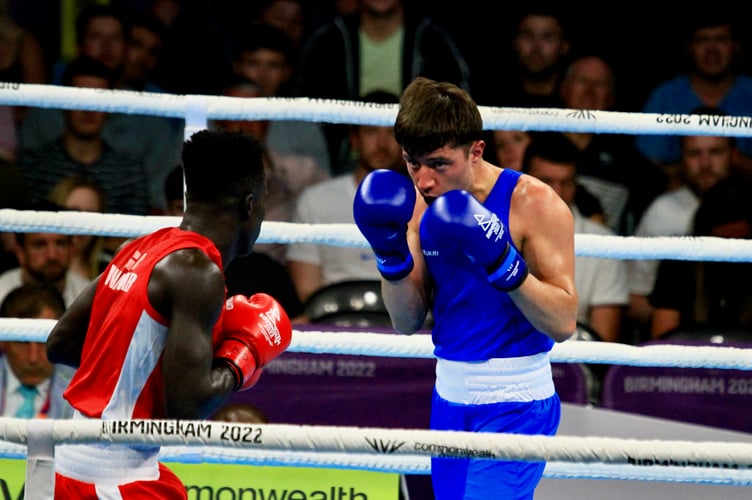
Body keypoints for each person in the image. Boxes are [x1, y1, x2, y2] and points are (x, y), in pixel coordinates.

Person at [353, 77, 577, 498]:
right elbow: (406, 320)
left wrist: (503, 263)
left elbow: (564, 321)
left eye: (439, 164)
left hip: (517, 403)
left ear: (476, 150)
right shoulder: (417, 206)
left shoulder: (534, 204)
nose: (423, 180)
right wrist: (390, 257)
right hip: (449, 397)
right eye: (412, 162)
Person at [45, 129, 293, 498]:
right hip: (113, 478)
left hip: (67, 464)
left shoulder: (140, 248)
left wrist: (134, 369)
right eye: (264, 202)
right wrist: (241, 358)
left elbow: (61, 343)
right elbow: (186, 409)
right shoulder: (198, 273)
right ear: (249, 205)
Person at [21, 4, 183, 214]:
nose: (106, 48)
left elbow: (158, 202)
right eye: (96, 37)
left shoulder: (152, 116)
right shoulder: (43, 111)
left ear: (126, 47)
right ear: (78, 44)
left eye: (115, 39)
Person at [297, 0, 470, 172]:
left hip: (421, 165)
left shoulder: (433, 41)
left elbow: (457, 110)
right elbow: (304, 119)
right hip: (338, 167)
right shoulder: (327, 42)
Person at [286, 90, 406, 306]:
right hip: (335, 315)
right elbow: (306, 286)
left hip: (408, 320)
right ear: (354, 140)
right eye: (371, 132)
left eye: (392, 133)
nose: (382, 143)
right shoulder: (316, 199)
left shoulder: (423, 200)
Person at [627, 128, 737, 340]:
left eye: (715, 152)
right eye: (694, 154)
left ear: (734, 154)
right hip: (679, 336)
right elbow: (635, 303)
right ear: (682, 158)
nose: (705, 164)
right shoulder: (662, 211)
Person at [522, 132, 627, 342]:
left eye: (566, 183)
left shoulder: (603, 244)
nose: (557, 193)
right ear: (522, 180)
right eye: (546, 182)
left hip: (574, 367)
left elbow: (602, 346)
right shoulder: (491, 231)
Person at [18, 56, 150, 216]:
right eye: (80, 99)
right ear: (62, 102)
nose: (89, 109)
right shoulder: (34, 165)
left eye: (98, 100)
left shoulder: (129, 171)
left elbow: (136, 238)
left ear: (110, 107)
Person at [634, 11, 752, 188]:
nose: (712, 50)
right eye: (702, 40)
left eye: (721, 39)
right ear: (689, 48)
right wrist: (695, 170)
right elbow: (645, 170)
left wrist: (733, 162)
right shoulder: (666, 96)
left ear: (736, 46)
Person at [559, 53, 667, 235]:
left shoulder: (627, 157)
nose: (590, 90)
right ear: (563, 89)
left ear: (611, 97)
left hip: (602, 254)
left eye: (599, 84)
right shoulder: (536, 144)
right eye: (582, 81)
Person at [649, 177, 752, 339]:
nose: (732, 254)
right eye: (723, 243)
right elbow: (662, 341)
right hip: (685, 361)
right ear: (705, 234)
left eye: (742, 244)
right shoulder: (679, 260)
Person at [230, 24, 330, 172]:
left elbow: (324, 188)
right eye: (253, 63)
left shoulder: (305, 127)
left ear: (287, 72)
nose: (262, 75)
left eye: (273, 65)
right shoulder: (208, 116)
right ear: (237, 67)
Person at [0, 283, 73, 419]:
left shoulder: (81, 390)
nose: (33, 358)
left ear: (61, 341)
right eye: (21, 343)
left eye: (43, 341)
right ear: (2, 342)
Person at [0, 200, 90, 307]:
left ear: (71, 249)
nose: (52, 255)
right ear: (20, 252)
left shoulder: (88, 297)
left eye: (60, 244)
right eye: (40, 245)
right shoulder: (1, 292)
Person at [478, 6, 570, 107]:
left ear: (564, 46)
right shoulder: (490, 96)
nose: (536, 48)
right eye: (528, 35)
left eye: (547, 37)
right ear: (515, 42)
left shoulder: (578, 99)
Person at [47, 175, 110, 281]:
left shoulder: (111, 269)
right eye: (73, 212)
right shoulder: (36, 269)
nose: (81, 222)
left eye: (90, 214)